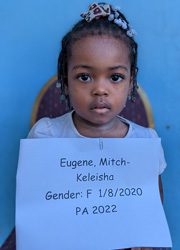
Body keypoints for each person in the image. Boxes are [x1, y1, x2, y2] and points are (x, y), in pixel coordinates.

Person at [28, 3, 167, 250]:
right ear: (65, 81)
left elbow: (152, 210)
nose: (100, 89)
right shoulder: (46, 135)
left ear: (131, 82)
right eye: (84, 76)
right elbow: (36, 205)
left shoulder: (145, 142)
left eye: (115, 77)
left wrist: (145, 239)